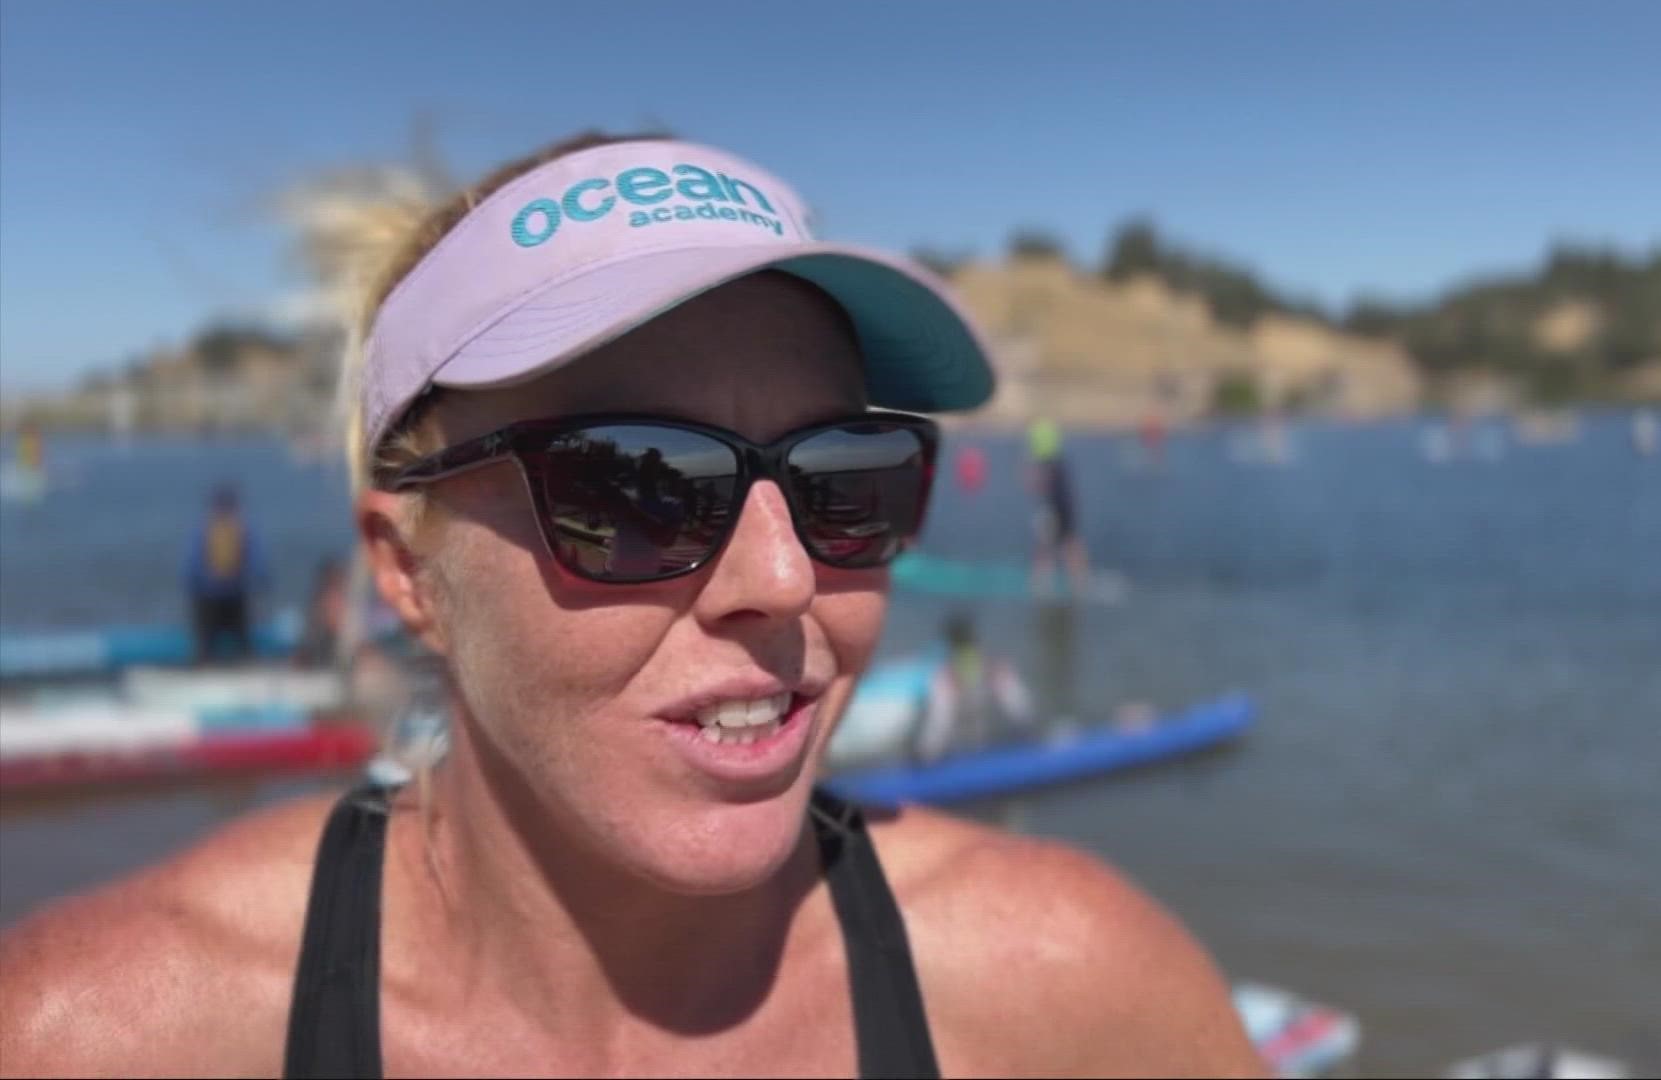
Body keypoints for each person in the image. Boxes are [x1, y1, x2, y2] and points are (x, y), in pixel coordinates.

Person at [0, 132, 1265, 1078]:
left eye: (847, 482)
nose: (781, 583)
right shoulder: (103, 1035)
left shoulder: (1077, 995)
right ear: (405, 570)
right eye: (634, 490)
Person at [909, 610, 1035, 764]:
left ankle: (1027, 731)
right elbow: (940, 717)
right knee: (944, 695)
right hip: (956, 750)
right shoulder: (946, 677)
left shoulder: (989, 667)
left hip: (980, 742)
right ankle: (927, 753)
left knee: (1003, 677)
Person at [182, 484, 266, 664]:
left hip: (209, 597)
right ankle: (245, 663)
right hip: (235, 595)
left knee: (205, 642)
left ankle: (203, 664)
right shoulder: (243, 531)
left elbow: (191, 569)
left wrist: (199, 587)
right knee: (242, 639)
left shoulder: (203, 531)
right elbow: (258, 566)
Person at [1026, 415, 1091, 593]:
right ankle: (1079, 582)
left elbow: (1038, 485)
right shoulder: (1059, 463)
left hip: (1056, 508)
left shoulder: (1048, 465)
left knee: (1048, 546)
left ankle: (1041, 584)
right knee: (1067, 543)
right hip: (1066, 507)